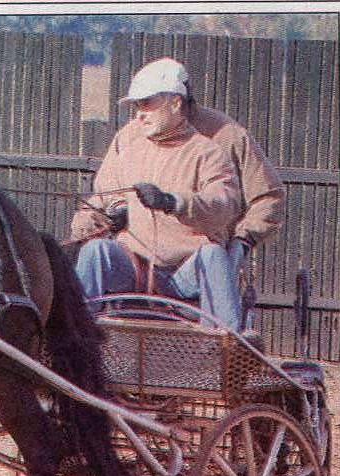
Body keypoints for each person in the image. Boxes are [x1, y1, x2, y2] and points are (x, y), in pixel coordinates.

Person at [70, 57, 253, 331]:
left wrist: (172, 202)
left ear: (176, 103)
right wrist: (105, 216)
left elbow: (223, 206)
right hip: (135, 268)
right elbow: (101, 198)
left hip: (185, 273)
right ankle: (76, 335)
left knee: (214, 255)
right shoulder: (128, 151)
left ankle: (227, 343)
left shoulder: (209, 154)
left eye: (146, 104)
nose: (139, 115)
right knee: (96, 250)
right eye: (137, 106)